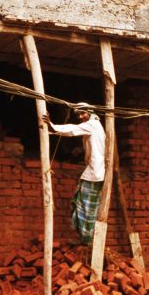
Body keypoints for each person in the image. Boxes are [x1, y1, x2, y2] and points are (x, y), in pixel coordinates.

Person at [42, 102, 106, 245]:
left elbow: (73, 129)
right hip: (93, 171)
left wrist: (52, 127)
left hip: (95, 173)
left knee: (87, 207)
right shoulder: (94, 126)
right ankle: (85, 239)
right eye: (79, 115)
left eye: (83, 113)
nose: (81, 117)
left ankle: (87, 241)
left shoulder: (93, 124)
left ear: (90, 112)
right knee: (81, 204)